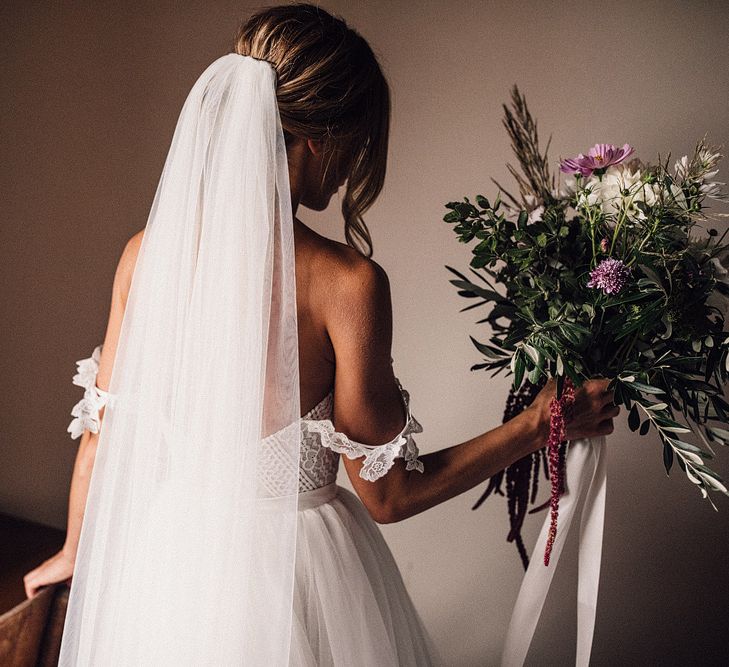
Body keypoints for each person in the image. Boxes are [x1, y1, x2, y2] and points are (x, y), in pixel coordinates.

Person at [23, 5, 619, 665]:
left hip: (171, 570)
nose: (354, 164)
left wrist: (76, 549)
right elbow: (388, 495)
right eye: (357, 140)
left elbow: (100, 437)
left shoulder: (146, 254)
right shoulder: (348, 284)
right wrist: (537, 425)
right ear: (319, 138)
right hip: (303, 578)